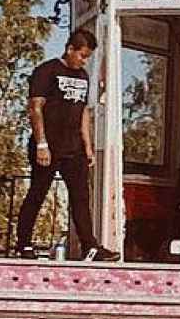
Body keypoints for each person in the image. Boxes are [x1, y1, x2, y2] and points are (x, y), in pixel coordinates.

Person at [14, 29, 117, 262]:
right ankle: (23, 243)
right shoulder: (46, 71)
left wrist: (88, 146)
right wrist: (41, 144)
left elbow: (83, 112)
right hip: (48, 147)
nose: (84, 60)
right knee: (37, 193)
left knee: (81, 197)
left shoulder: (82, 76)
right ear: (70, 49)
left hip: (74, 149)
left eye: (87, 57)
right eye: (81, 55)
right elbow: (35, 108)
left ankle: (90, 246)